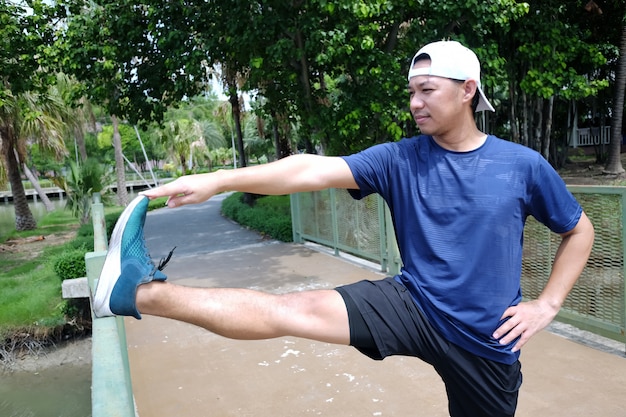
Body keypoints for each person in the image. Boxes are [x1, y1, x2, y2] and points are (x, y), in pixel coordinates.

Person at [93, 40, 594, 416]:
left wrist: (546, 304)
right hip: (414, 304)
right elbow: (308, 169)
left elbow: (579, 230)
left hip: (488, 336)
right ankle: (137, 292)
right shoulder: (399, 158)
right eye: (411, 93)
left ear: (467, 91)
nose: (416, 103)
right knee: (291, 310)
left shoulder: (521, 165)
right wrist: (219, 179)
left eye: (428, 91)